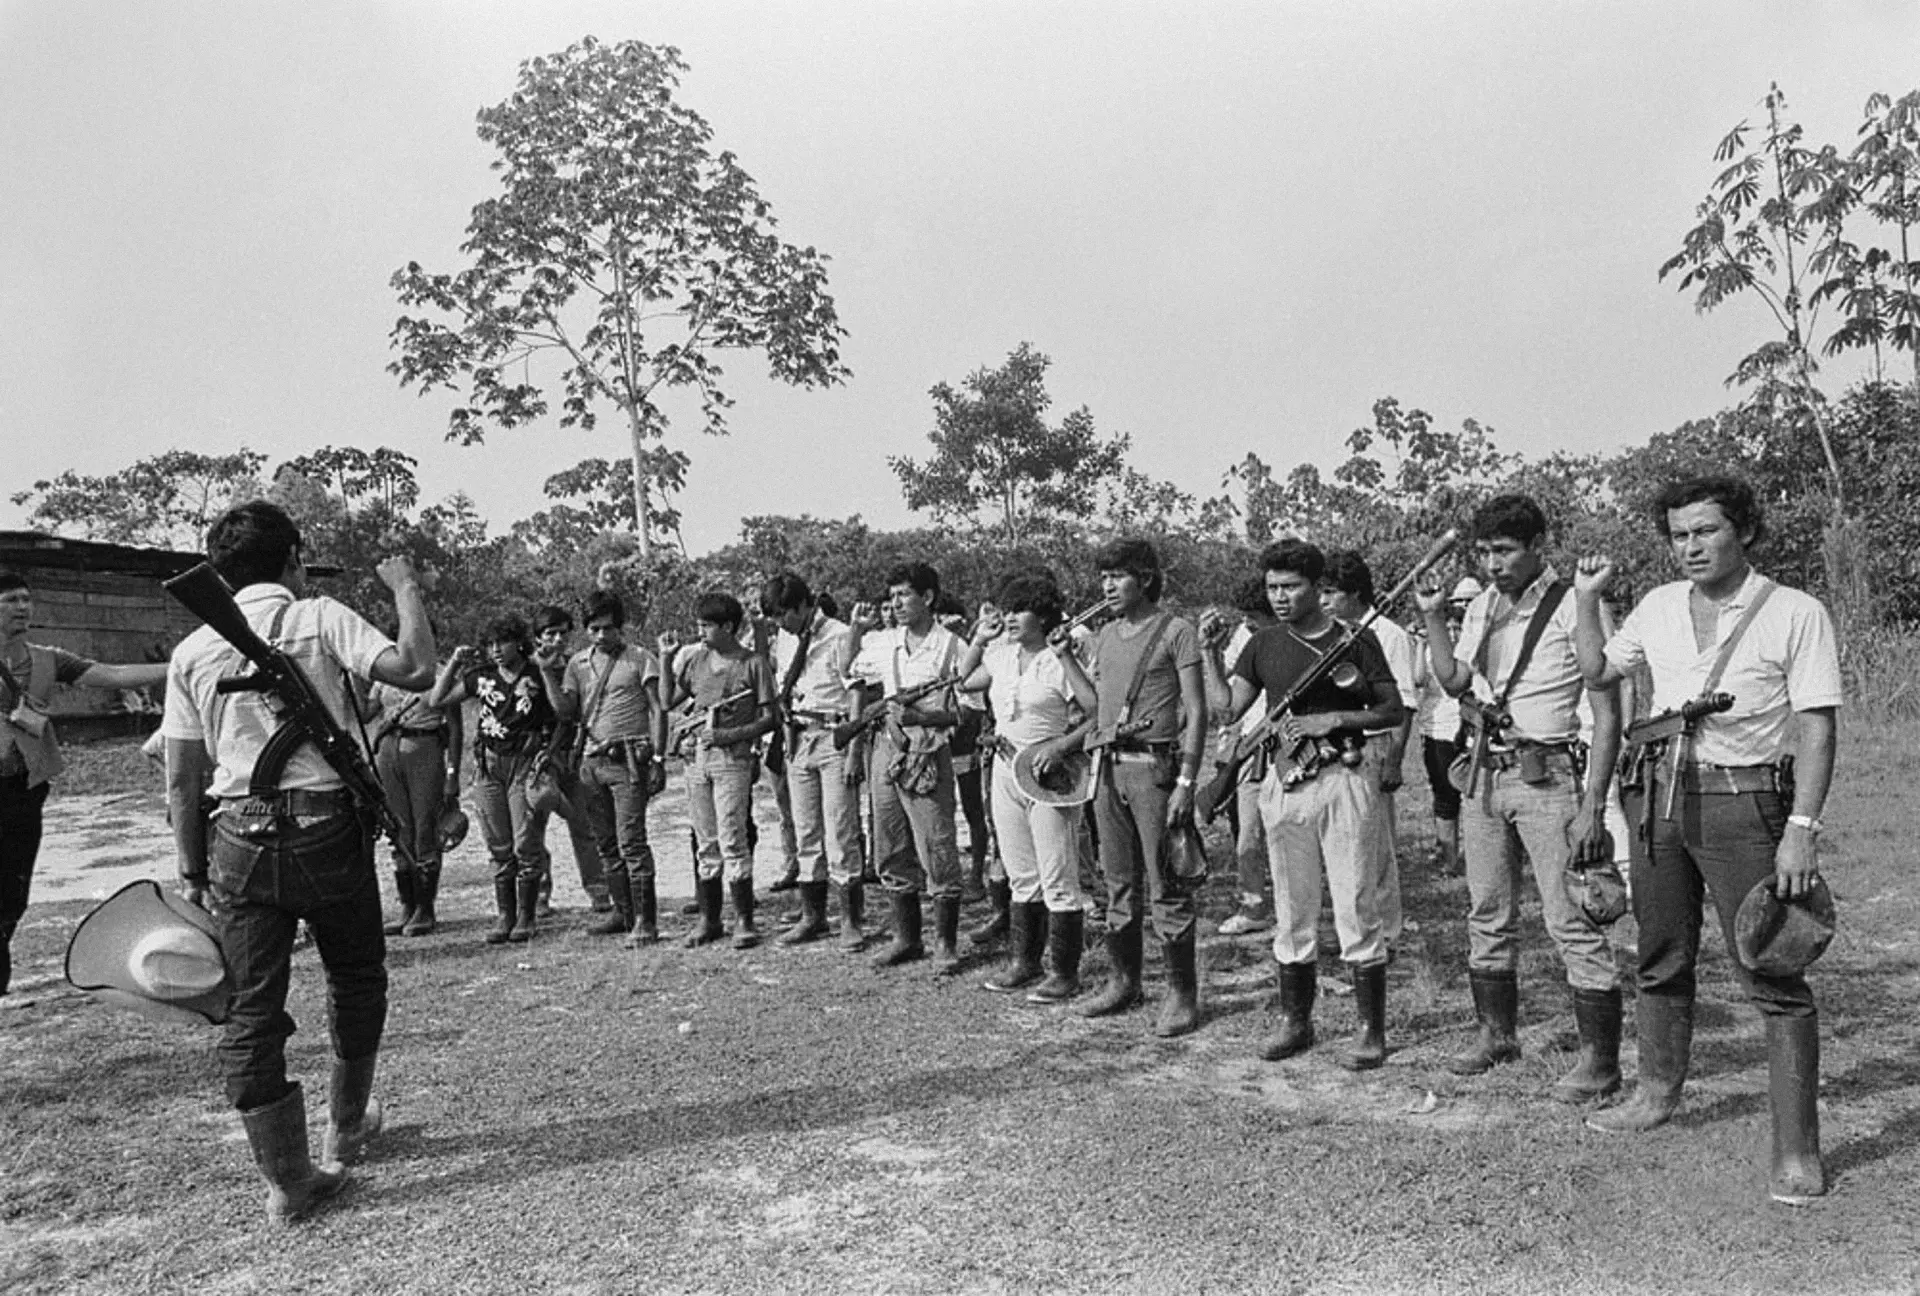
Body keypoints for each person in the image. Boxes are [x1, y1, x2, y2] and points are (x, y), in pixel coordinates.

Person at [161, 501, 435, 1221]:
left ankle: (287, 1181)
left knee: (252, 1011)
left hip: (236, 843)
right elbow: (415, 669)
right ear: (293, 559)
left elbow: (183, 777)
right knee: (355, 976)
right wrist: (405, 587)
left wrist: (192, 870)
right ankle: (347, 1126)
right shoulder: (318, 617)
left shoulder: (192, 650)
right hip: (324, 832)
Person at [1571, 475, 1840, 1206]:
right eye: (1679, 535)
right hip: (1656, 799)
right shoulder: (1658, 606)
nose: (1691, 546)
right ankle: (1655, 1093)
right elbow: (1597, 670)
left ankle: (1795, 1149)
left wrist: (1800, 833)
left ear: (1744, 531)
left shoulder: (1794, 612)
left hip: (1744, 803)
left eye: (1706, 531)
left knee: (1772, 967)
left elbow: (1816, 724)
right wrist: (1588, 599)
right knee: (1660, 953)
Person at [1414, 494, 1624, 1102]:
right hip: (1483, 771)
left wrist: (1592, 803)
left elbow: (1607, 713)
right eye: (1482, 552)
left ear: (1536, 547)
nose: (1492, 563)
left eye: (1504, 551)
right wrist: (1433, 618)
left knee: (1569, 918)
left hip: (1549, 776)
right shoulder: (1480, 603)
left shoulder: (1576, 604)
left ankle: (1598, 1061)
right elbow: (1454, 681)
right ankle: (1495, 1033)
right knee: (1486, 909)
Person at [1202, 539, 1402, 1067]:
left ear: (1318, 588)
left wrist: (1334, 719)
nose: (1280, 597)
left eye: (1291, 586)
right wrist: (1206, 652)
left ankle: (1369, 1029)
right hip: (1284, 781)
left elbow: (1392, 709)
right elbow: (1227, 709)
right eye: (1272, 587)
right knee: (1292, 906)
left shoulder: (1354, 641)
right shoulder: (1262, 643)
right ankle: (1296, 1020)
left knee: (1356, 900)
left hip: (1344, 778)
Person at [1056, 538, 1209, 1037]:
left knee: (1166, 881)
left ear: (1144, 579)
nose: (1107, 586)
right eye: (1103, 577)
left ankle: (1182, 995)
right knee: (1117, 879)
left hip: (1155, 771)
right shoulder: (1103, 635)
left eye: (1117, 576)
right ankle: (1125, 982)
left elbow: (1198, 710)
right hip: (1108, 769)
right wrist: (1066, 660)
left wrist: (1187, 780)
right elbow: (1095, 706)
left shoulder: (1177, 631)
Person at [0, 569, 168, 997]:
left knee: (13, 893)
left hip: (23, 790)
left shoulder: (47, 659)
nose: (22, 607)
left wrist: (180, 665)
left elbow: (110, 675)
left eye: (25, 598)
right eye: (10, 600)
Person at [956, 574, 1090, 1001]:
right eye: (1006, 609)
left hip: (1049, 773)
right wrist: (980, 637)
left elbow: (1097, 711)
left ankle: (1064, 973)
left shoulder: (1060, 659)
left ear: (1044, 614)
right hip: (1004, 768)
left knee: (1058, 872)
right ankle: (1024, 962)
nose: (1011, 617)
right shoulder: (999, 657)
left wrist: (1063, 746)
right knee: (1020, 872)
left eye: (1020, 610)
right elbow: (963, 679)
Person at [847, 562, 969, 972]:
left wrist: (922, 719)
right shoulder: (883, 642)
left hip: (927, 752)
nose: (896, 603)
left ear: (928, 598)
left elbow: (967, 714)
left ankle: (945, 943)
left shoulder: (953, 646)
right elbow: (852, 671)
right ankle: (906, 937)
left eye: (904, 595)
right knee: (890, 841)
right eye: (893, 596)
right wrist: (855, 632)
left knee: (936, 844)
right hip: (887, 746)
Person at [429, 613, 558, 945]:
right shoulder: (480, 677)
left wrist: (549, 750)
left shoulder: (537, 673)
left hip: (524, 762)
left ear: (518, 642)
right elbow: (438, 699)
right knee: (498, 844)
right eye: (490, 644)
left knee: (525, 840)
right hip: (488, 765)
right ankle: (506, 916)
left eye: (502, 642)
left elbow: (562, 714)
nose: (496, 650)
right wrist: (455, 663)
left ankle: (528, 916)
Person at [661, 593, 778, 950]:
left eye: (707, 625)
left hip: (732, 760)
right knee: (706, 840)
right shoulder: (696, 661)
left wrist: (729, 734)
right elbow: (668, 702)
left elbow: (771, 716)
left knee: (733, 838)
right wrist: (666, 660)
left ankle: (743, 920)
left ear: (728, 627)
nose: (701, 631)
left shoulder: (752, 664)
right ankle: (709, 919)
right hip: (696, 760)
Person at [551, 591, 667, 945]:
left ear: (621, 627)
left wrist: (659, 758)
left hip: (628, 761)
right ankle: (623, 912)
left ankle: (645, 922)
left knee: (632, 842)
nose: (603, 635)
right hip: (590, 762)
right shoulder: (577, 665)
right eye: (595, 629)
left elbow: (658, 709)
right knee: (606, 844)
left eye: (609, 628)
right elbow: (565, 711)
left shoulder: (639, 659)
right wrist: (545, 671)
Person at [760, 572, 867, 949]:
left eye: (784, 614)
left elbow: (857, 693)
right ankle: (813, 916)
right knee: (806, 831)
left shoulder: (840, 635)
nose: (780, 622)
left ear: (805, 605)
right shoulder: (785, 640)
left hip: (835, 736)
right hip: (799, 737)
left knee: (840, 830)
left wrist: (854, 750)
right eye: (774, 617)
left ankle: (851, 920)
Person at [1321, 550, 1420, 947]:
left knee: (1376, 847)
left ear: (1356, 594)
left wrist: (1394, 762)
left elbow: (1403, 706)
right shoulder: (1331, 634)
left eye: (1331, 593)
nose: (1324, 601)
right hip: (1339, 747)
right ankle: (1354, 924)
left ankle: (1387, 930)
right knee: (1347, 843)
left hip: (1376, 744)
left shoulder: (1388, 636)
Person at [364, 658, 462, 937]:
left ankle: (425, 907)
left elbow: (455, 728)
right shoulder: (385, 675)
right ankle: (407, 904)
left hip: (424, 748)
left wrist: (453, 774)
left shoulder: (442, 673)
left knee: (425, 828)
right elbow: (367, 712)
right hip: (388, 750)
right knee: (397, 830)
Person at [1202, 578, 1278, 937]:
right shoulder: (1246, 638)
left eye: (1254, 617)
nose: (1249, 624)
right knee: (1248, 833)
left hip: (1292, 747)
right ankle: (1253, 906)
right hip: (1252, 745)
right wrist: (1211, 652)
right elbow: (1225, 702)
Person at [531, 604, 613, 915]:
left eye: (563, 633)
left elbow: (573, 712)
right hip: (537, 758)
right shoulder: (527, 669)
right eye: (550, 633)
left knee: (584, 826)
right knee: (533, 827)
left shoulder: (576, 666)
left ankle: (599, 890)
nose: (557, 639)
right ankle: (538, 894)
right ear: (537, 637)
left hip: (573, 754)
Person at [1415, 576, 1482, 874]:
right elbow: (1419, 680)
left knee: (1476, 794)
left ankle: (1477, 856)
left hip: (1469, 730)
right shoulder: (1432, 650)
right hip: (1437, 729)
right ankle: (1449, 856)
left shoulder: (1478, 644)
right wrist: (1421, 643)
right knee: (1444, 793)